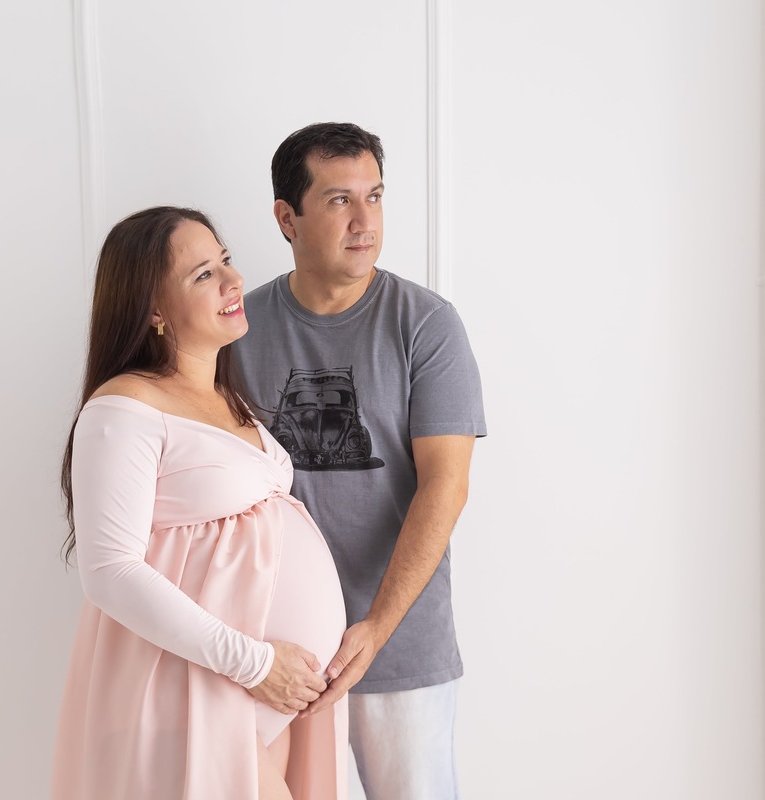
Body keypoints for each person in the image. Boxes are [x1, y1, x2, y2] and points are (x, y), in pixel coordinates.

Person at [51, 206, 349, 800]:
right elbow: (110, 571)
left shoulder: (228, 399)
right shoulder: (124, 409)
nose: (233, 281)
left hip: (260, 698)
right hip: (192, 693)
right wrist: (257, 664)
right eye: (203, 274)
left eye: (227, 261)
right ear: (153, 309)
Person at [231, 123, 486, 800]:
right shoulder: (236, 332)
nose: (365, 220)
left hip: (396, 638)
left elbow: (446, 487)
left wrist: (375, 626)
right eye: (340, 200)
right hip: (274, 645)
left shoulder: (426, 324)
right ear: (288, 217)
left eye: (374, 196)